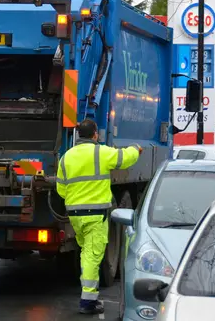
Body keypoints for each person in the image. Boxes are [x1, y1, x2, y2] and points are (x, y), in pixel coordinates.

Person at [56, 119, 141, 314]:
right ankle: (88, 301)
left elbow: (61, 188)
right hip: (95, 215)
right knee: (92, 256)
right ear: (95, 134)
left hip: (75, 215)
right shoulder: (101, 153)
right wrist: (136, 149)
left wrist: (76, 198)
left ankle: (89, 297)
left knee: (86, 252)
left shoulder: (66, 157)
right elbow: (124, 158)